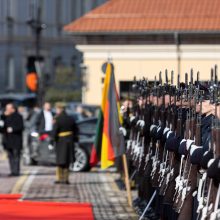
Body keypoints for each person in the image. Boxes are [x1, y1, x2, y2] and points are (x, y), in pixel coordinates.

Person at [52, 102, 78, 184]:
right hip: (69, 141)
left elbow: (55, 131)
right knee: (67, 160)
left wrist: (53, 139)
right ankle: (66, 178)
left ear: (59, 109)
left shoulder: (57, 119)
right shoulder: (71, 118)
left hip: (61, 141)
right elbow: (76, 130)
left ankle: (60, 178)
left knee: (60, 160)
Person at [0, 103, 24, 176]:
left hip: (16, 140)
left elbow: (21, 127)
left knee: (16, 156)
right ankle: (12, 171)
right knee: (10, 156)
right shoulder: (4, 117)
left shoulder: (18, 116)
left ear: (13, 109)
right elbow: (1, 127)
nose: (6, 110)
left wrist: (12, 129)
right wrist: (3, 117)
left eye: (8, 108)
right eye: (6, 108)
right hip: (7, 140)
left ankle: (16, 171)